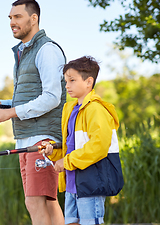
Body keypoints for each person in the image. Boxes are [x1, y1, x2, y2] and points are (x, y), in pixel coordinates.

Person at [0, 0, 66, 225]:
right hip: (27, 138)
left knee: (37, 201)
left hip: (43, 137)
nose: (11, 22)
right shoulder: (23, 53)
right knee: (44, 200)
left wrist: (10, 113)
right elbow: (27, 99)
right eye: (10, 18)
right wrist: (0, 104)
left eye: (17, 17)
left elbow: (52, 97)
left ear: (33, 18)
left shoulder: (47, 50)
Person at [41, 56, 124, 224]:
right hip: (73, 183)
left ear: (89, 82)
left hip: (92, 182)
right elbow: (71, 144)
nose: (67, 85)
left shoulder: (95, 109)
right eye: (66, 81)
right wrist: (54, 152)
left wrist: (67, 161)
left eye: (72, 80)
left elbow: (98, 146)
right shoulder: (71, 110)